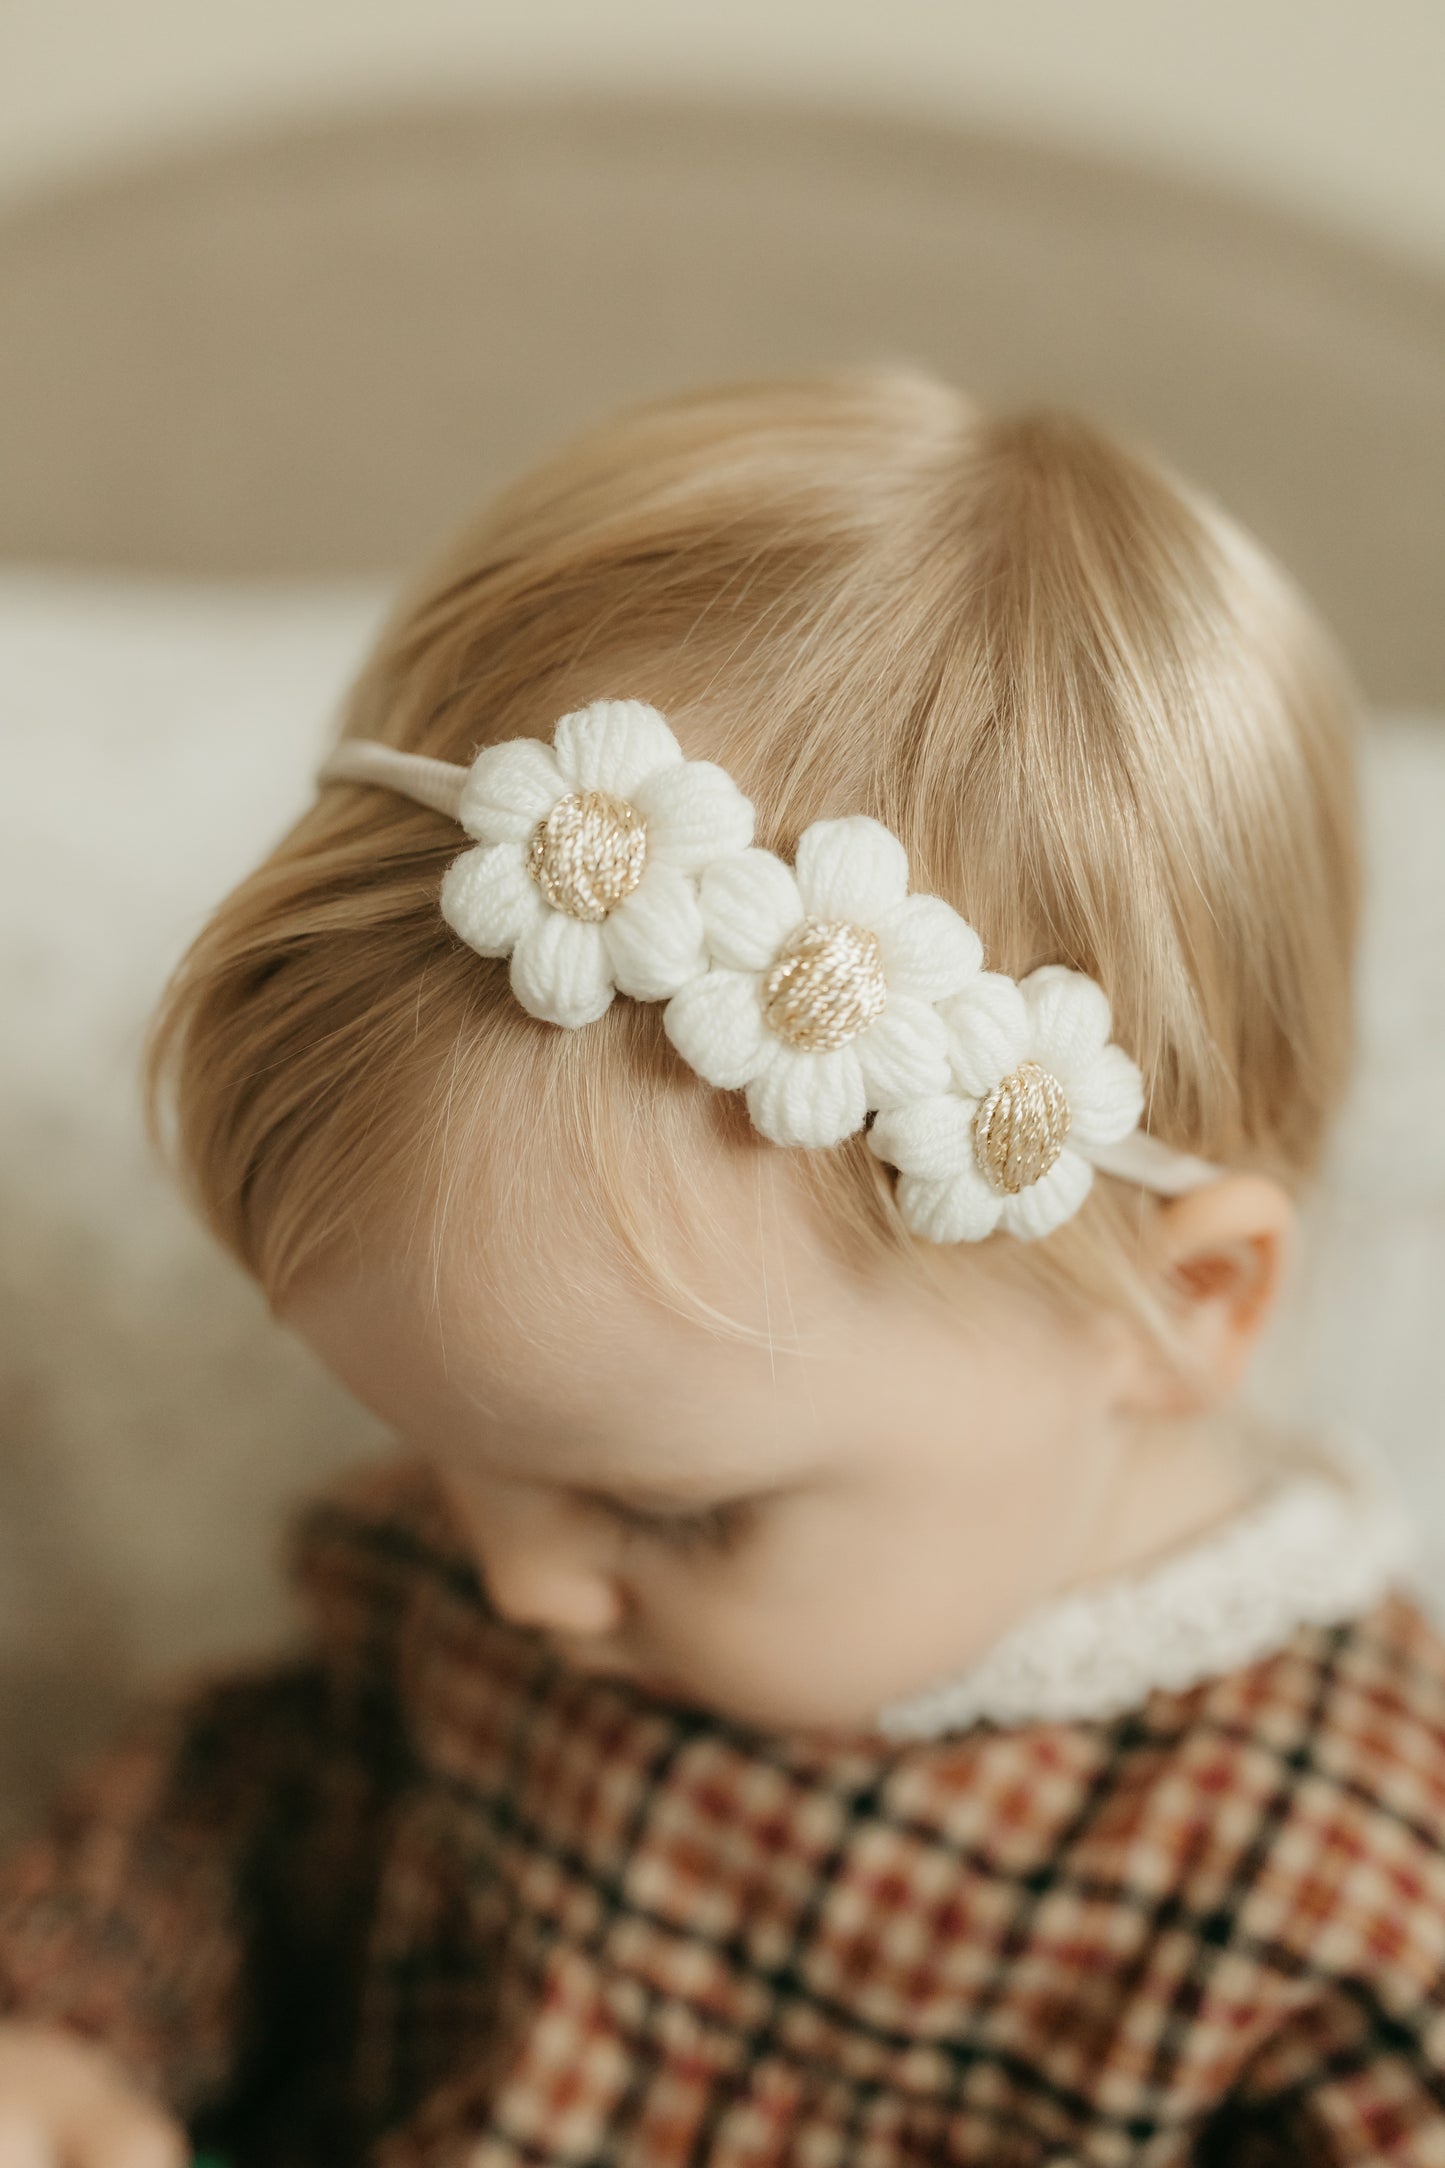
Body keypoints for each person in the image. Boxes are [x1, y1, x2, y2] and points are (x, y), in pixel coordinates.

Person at [0, 365, 1438, 2166]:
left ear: (1180, 1311)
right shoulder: (509, 1561)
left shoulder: (1329, 1918)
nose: (510, 1585)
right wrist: (87, 2036)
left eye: (671, 1514)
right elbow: (263, 1792)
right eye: (439, 1444)